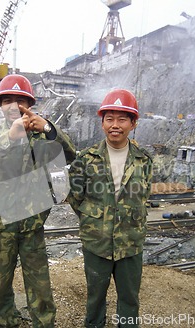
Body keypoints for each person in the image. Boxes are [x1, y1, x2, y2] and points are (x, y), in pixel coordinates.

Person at [0, 74, 76, 327]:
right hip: (0, 225)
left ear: (29, 104)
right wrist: (10, 137)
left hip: (32, 224)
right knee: (1, 280)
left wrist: (49, 128)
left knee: (39, 280)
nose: (14, 106)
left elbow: (69, 154)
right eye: (8, 101)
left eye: (20, 101)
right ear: (0, 105)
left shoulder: (41, 136)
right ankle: (7, 320)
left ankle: (44, 322)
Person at [67, 89, 153, 328]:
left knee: (129, 299)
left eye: (122, 119)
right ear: (102, 122)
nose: (115, 125)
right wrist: (95, 220)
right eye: (109, 119)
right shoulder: (86, 159)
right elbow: (76, 198)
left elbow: (143, 196)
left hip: (130, 244)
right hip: (97, 243)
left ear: (133, 123)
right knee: (95, 299)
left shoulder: (144, 160)